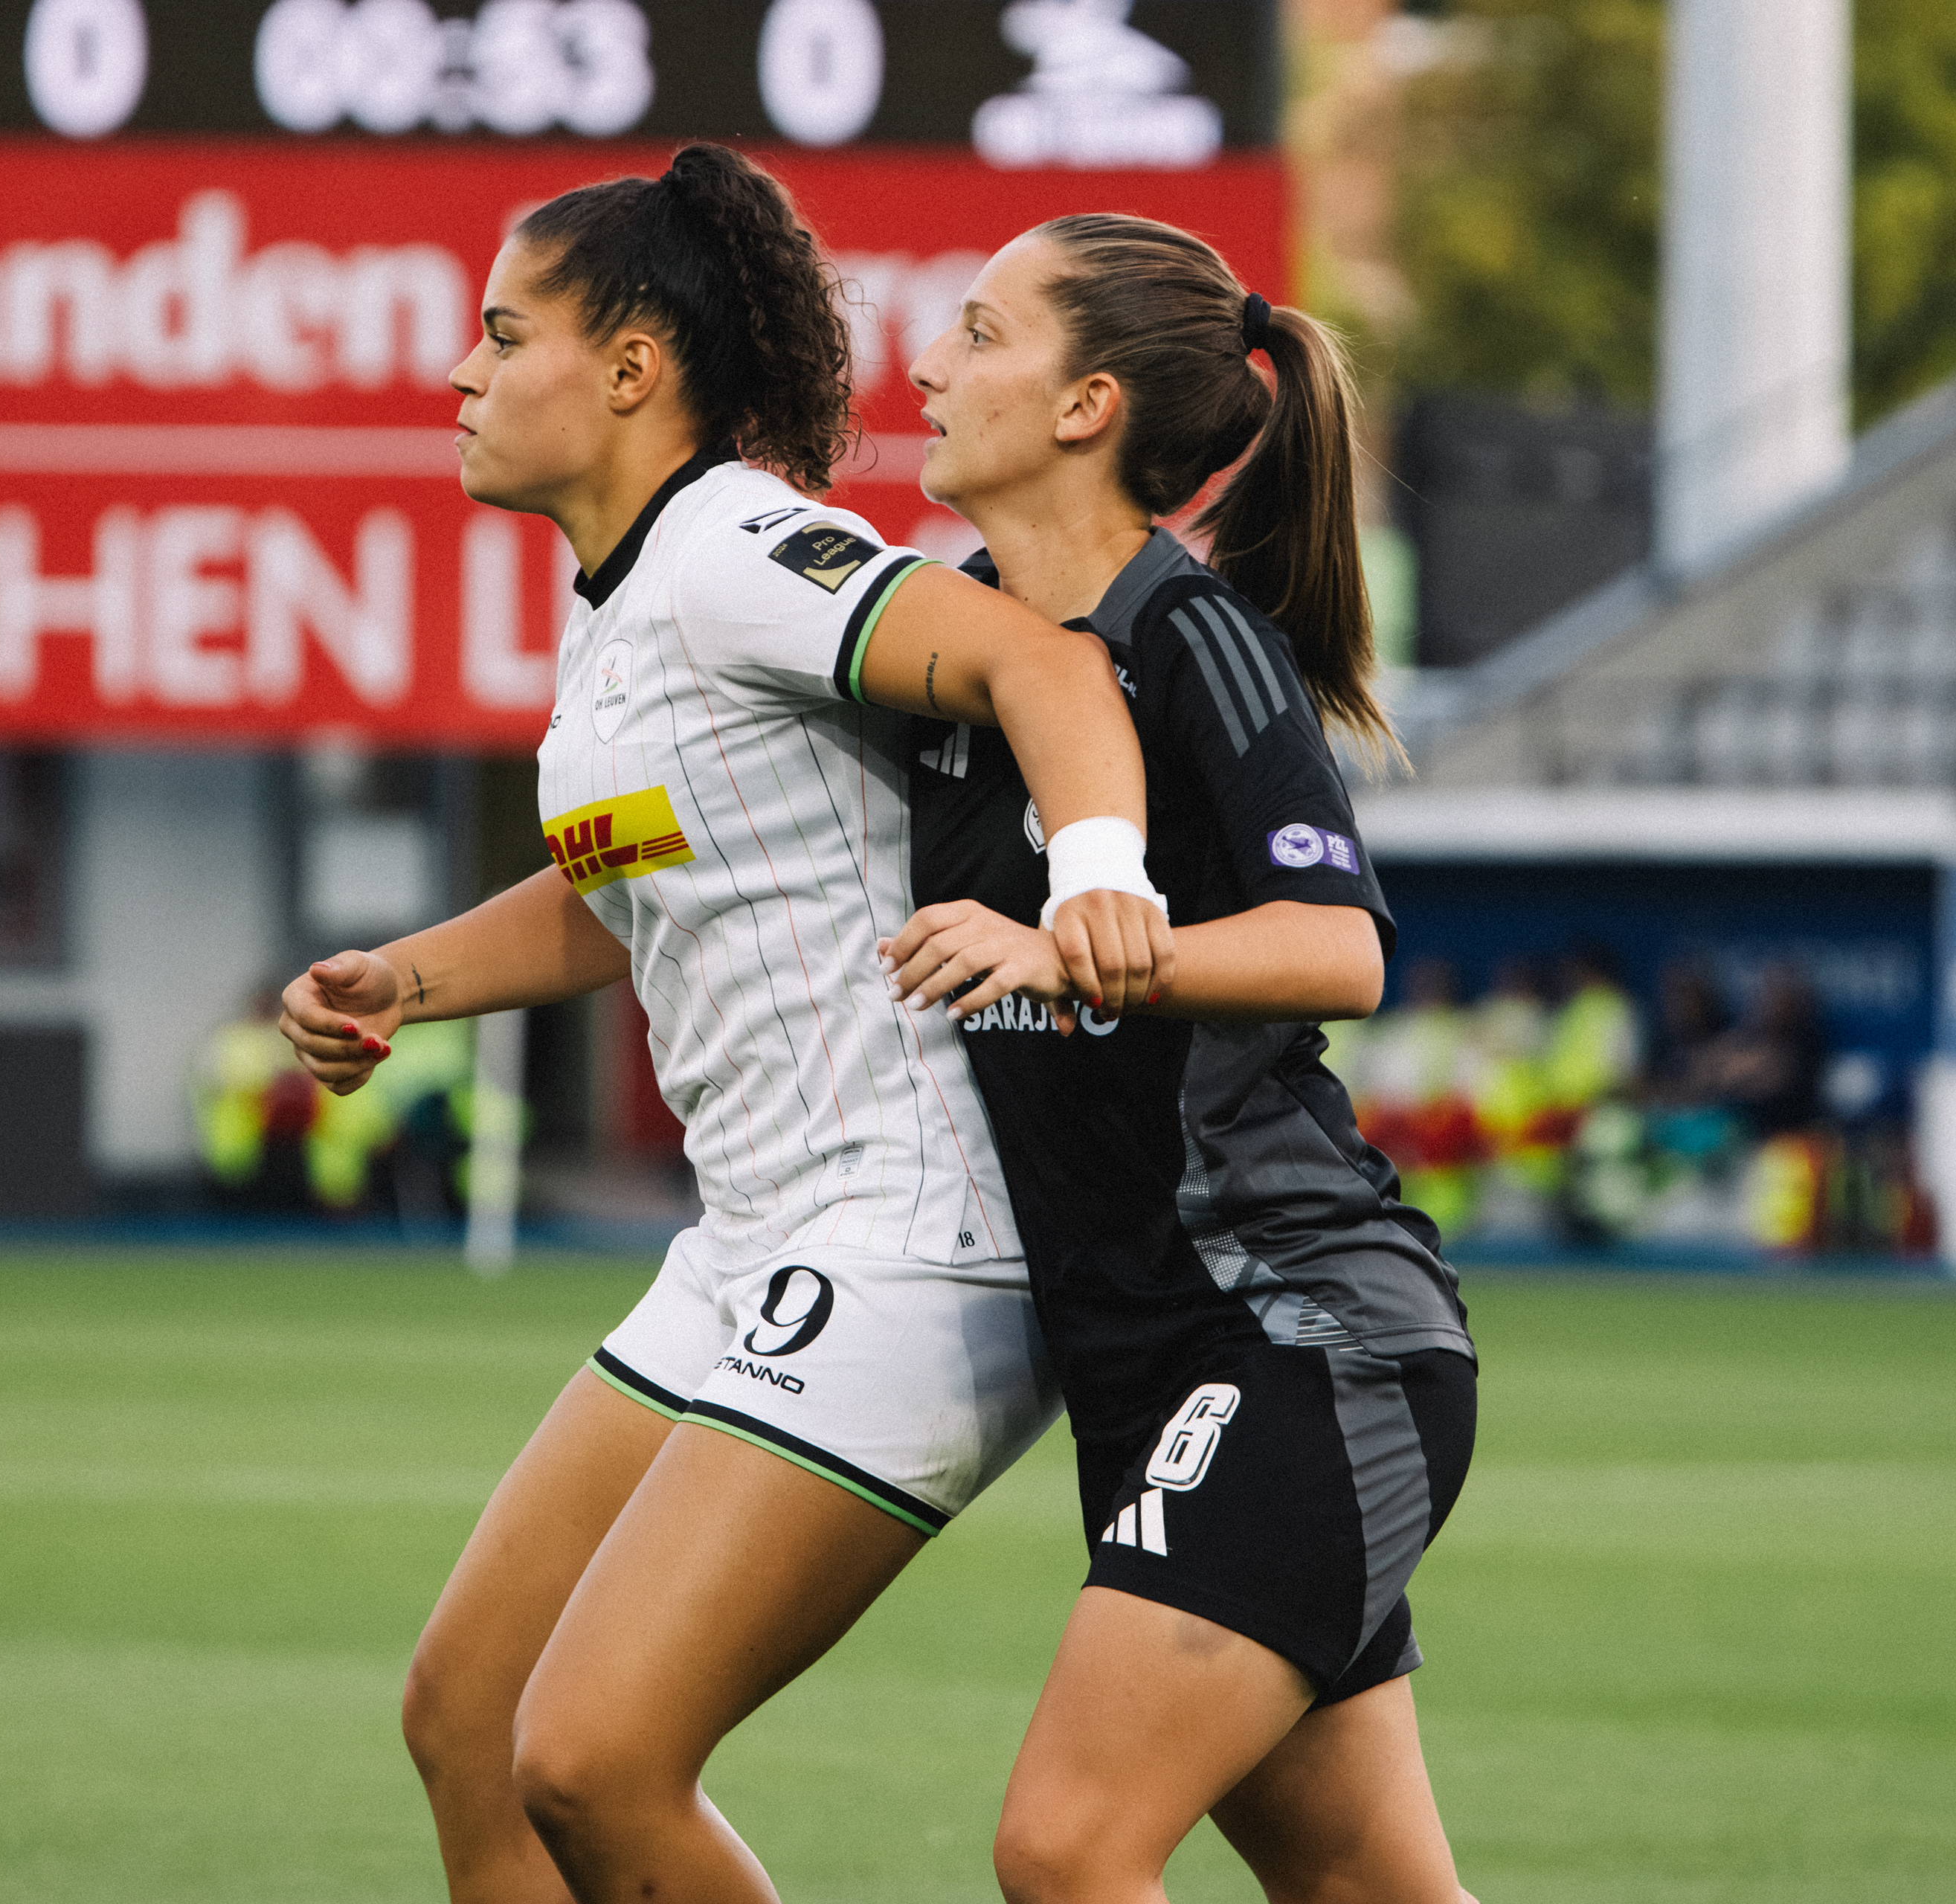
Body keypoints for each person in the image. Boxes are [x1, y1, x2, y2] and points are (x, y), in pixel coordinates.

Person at [277, 146, 1174, 1904]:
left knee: (594, 1757)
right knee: (470, 1718)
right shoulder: (625, 611)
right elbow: (627, 889)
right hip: (756, 1244)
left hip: (910, 1241)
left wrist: (1099, 878)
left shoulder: (742, 548)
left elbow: (1044, 668)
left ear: (629, 367)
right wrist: (411, 977)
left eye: (500, 329)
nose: (460, 372)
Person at [881, 214, 1480, 1903]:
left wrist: (1069, 942)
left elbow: (1335, 946)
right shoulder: (960, 649)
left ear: (1086, 406)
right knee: (1367, 1883)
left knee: (1066, 1850)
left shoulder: (1190, 635)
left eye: (980, 333)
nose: (929, 367)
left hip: (1303, 1332)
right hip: (1150, 1361)